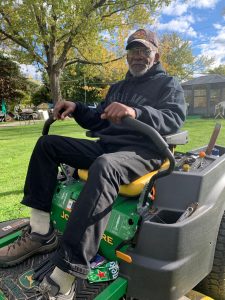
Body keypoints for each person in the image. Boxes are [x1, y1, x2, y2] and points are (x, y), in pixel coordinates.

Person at [0, 29, 186, 299]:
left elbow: (173, 118)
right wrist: (76, 107)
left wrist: (135, 112)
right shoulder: (118, 88)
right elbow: (99, 118)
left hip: (144, 152)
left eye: (144, 50)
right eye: (132, 50)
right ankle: (41, 233)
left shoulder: (168, 84)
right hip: (108, 146)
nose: (137, 56)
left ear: (155, 54)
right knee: (47, 144)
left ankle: (66, 274)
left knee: (105, 165)